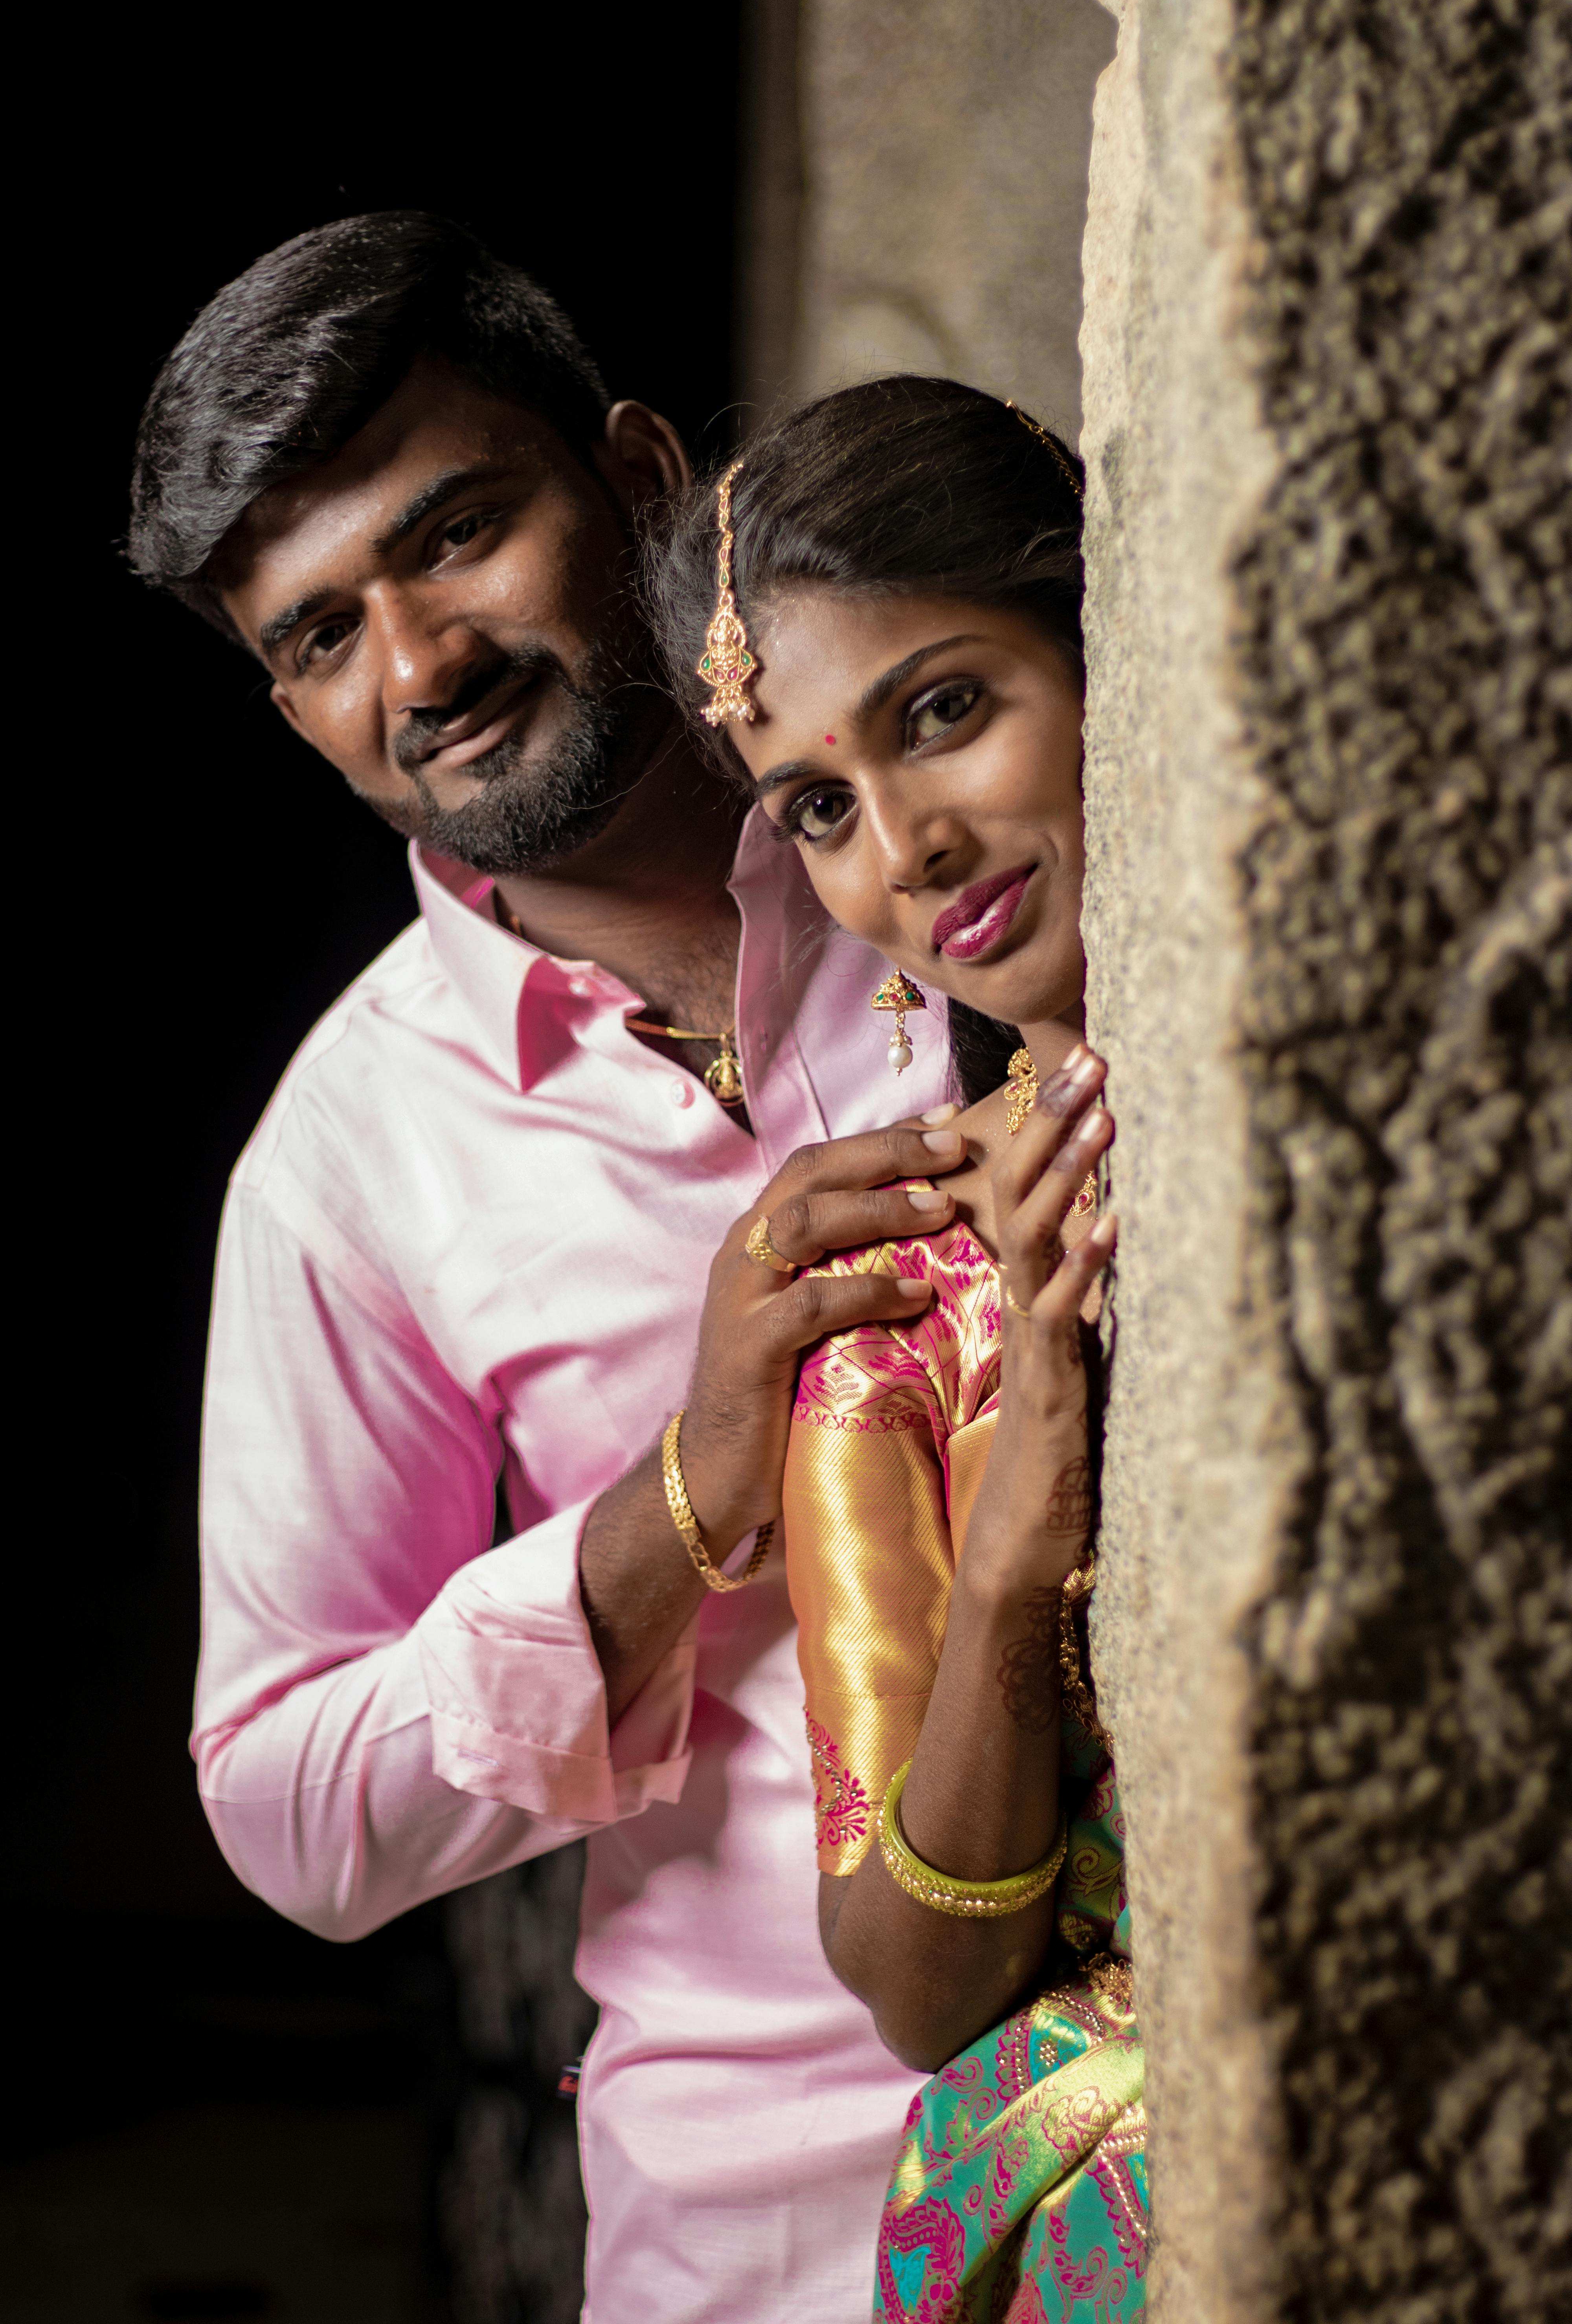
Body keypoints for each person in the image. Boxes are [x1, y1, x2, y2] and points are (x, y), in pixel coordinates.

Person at [128, 212, 982, 2322]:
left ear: (639, 474)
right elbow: (291, 1813)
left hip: (1243, 2061)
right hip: (781, 2213)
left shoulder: (973, 820)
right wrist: (685, 1501)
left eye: (457, 535)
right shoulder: (349, 1163)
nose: (421, 666)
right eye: (320, 636)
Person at [646, 376, 1148, 2320]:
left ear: (1106, 646)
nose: (909, 853)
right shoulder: (903, 1298)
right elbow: (918, 1988)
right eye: (819, 808)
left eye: (944, 709)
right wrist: (1018, 1536)